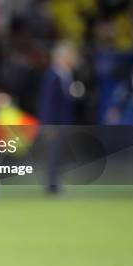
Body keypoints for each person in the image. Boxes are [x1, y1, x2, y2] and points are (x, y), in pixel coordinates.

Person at [37, 41, 78, 194]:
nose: (74, 59)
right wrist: (47, 124)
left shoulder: (67, 74)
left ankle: (56, 182)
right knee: (53, 155)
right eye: (71, 56)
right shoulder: (52, 76)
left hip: (64, 122)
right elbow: (47, 102)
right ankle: (52, 185)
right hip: (54, 123)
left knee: (60, 154)